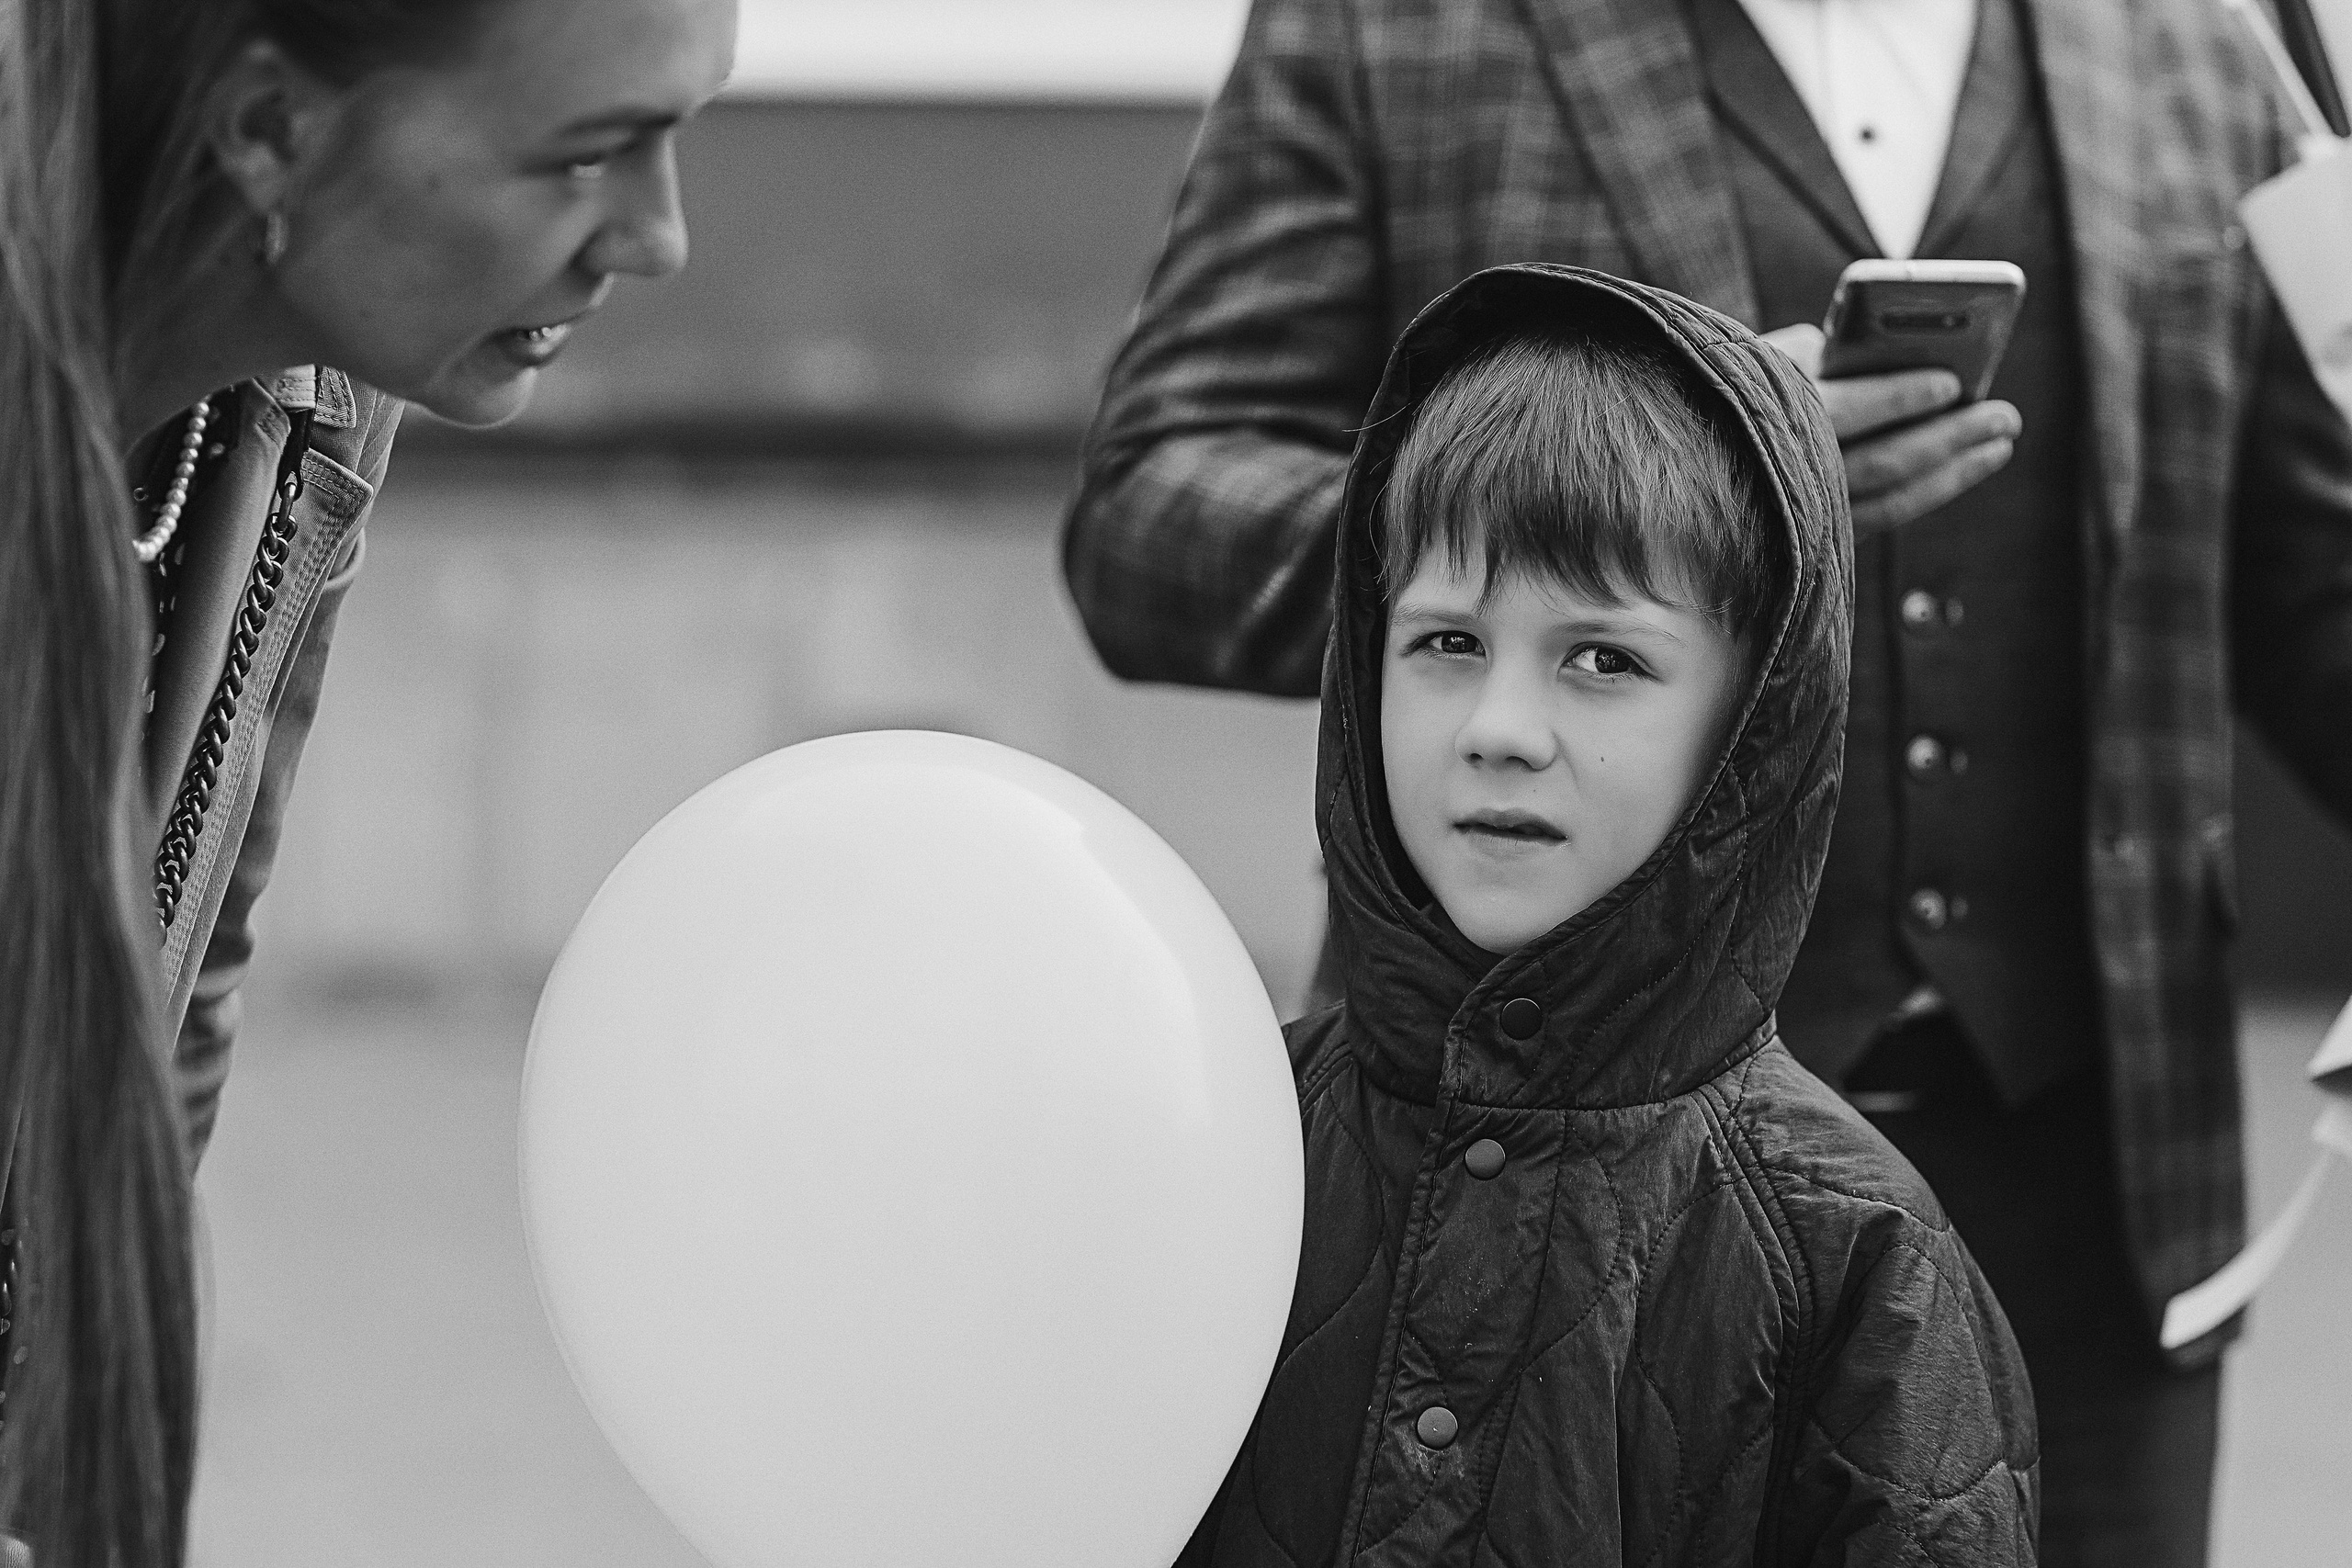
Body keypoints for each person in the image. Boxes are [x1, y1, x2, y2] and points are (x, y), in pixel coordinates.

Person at [1064, 2, 2352, 1559]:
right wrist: (1647, 492)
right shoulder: (1389, 23)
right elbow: (1147, 517)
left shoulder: (2196, 40)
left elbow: (2309, 587)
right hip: (1525, 1174)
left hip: (2098, 1179)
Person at [0, 0, 732, 1560]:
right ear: (267, 128)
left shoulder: (314, 395)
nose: (661, 237)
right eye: (591, 150)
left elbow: (181, 977)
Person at [1177, 262, 2036, 1566]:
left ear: (1750, 724)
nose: (1502, 731)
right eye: (1449, 643)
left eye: (1604, 660)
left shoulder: (1854, 1254)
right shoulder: (1222, 1138)